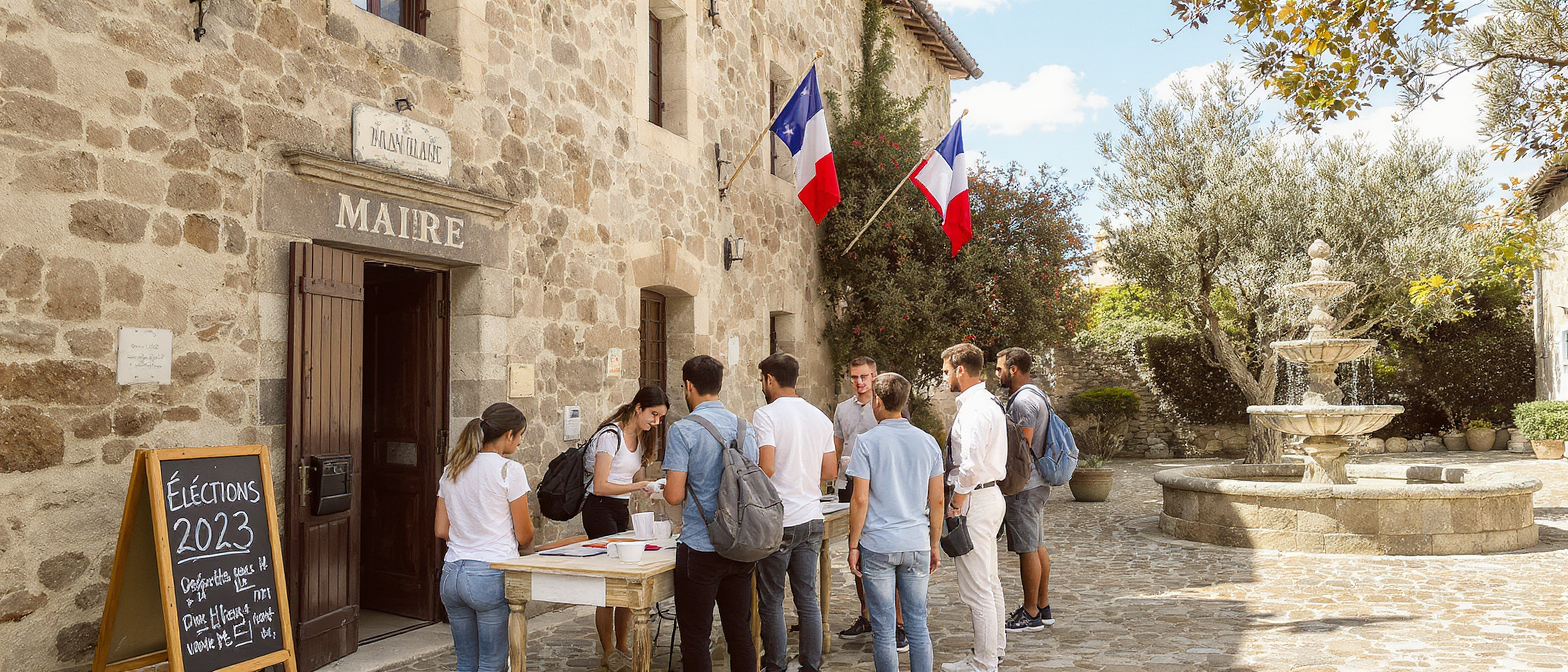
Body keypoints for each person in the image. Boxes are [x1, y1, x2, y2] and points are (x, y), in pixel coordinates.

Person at [662, 355, 761, 672]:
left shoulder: (683, 430)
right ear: (719, 386)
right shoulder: (746, 429)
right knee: (739, 632)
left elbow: (675, 494)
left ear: (688, 386)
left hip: (701, 547)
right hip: (741, 546)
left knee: (695, 639)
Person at [846, 373, 944, 672]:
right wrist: (934, 542)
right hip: (916, 541)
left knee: (885, 631)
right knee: (917, 625)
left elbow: (860, 500)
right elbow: (937, 500)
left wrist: (853, 544)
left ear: (877, 401)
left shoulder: (866, 442)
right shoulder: (928, 443)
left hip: (879, 544)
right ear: (905, 402)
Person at [434, 402, 535, 672]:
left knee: (465, 661)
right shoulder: (509, 471)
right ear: (509, 434)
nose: (520, 442)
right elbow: (525, 536)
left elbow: (441, 530)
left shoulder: (451, 470)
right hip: (490, 573)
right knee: (492, 662)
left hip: (452, 573)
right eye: (521, 435)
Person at [752, 353, 836, 672]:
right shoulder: (819, 417)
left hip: (780, 520)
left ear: (770, 379)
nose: (763, 385)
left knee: (772, 600)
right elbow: (829, 471)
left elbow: (767, 467)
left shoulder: (766, 415)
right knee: (807, 599)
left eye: (763, 380)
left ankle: (775, 665)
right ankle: (810, 666)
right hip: (811, 517)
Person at [583, 385, 670, 668]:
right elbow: (600, 484)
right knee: (610, 582)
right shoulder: (610, 436)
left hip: (620, 508)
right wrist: (639, 485)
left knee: (625, 580)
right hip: (598, 508)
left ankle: (622, 645)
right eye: (653, 414)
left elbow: (637, 478)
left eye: (660, 417)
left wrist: (653, 490)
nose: (656, 421)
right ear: (638, 408)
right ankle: (608, 651)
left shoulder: (643, 439)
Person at [940, 343, 1009, 672]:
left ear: (960, 370)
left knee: (976, 588)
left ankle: (983, 663)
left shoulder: (976, 408)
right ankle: (994, 651)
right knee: (989, 580)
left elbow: (970, 465)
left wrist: (956, 503)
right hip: (987, 496)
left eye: (946, 372)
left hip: (975, 498)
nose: (945, 379)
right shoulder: (986, 402)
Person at [834, 357, 908, 652]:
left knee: (888, 555)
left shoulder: (889, 407)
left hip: (883, 486)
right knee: (859, 558)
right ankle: (866, 615)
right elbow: (837, 446)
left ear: (875, 376)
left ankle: (899, 623)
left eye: (864, 376)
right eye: (854, 377)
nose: (859, 382)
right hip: (851, 483)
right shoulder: (842, 409)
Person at [994, 348, 1055, 634]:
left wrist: (1004, 481)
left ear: (1013, 369)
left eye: (999, 369)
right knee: (1037, 543)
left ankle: (1030, 612)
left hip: (1024, 485)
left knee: (1027, 548)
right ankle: (1042, 607)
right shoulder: (1038, 394)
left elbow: (1021, 449)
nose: (997, 374)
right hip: (1038, 483)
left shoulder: (1022, 402)